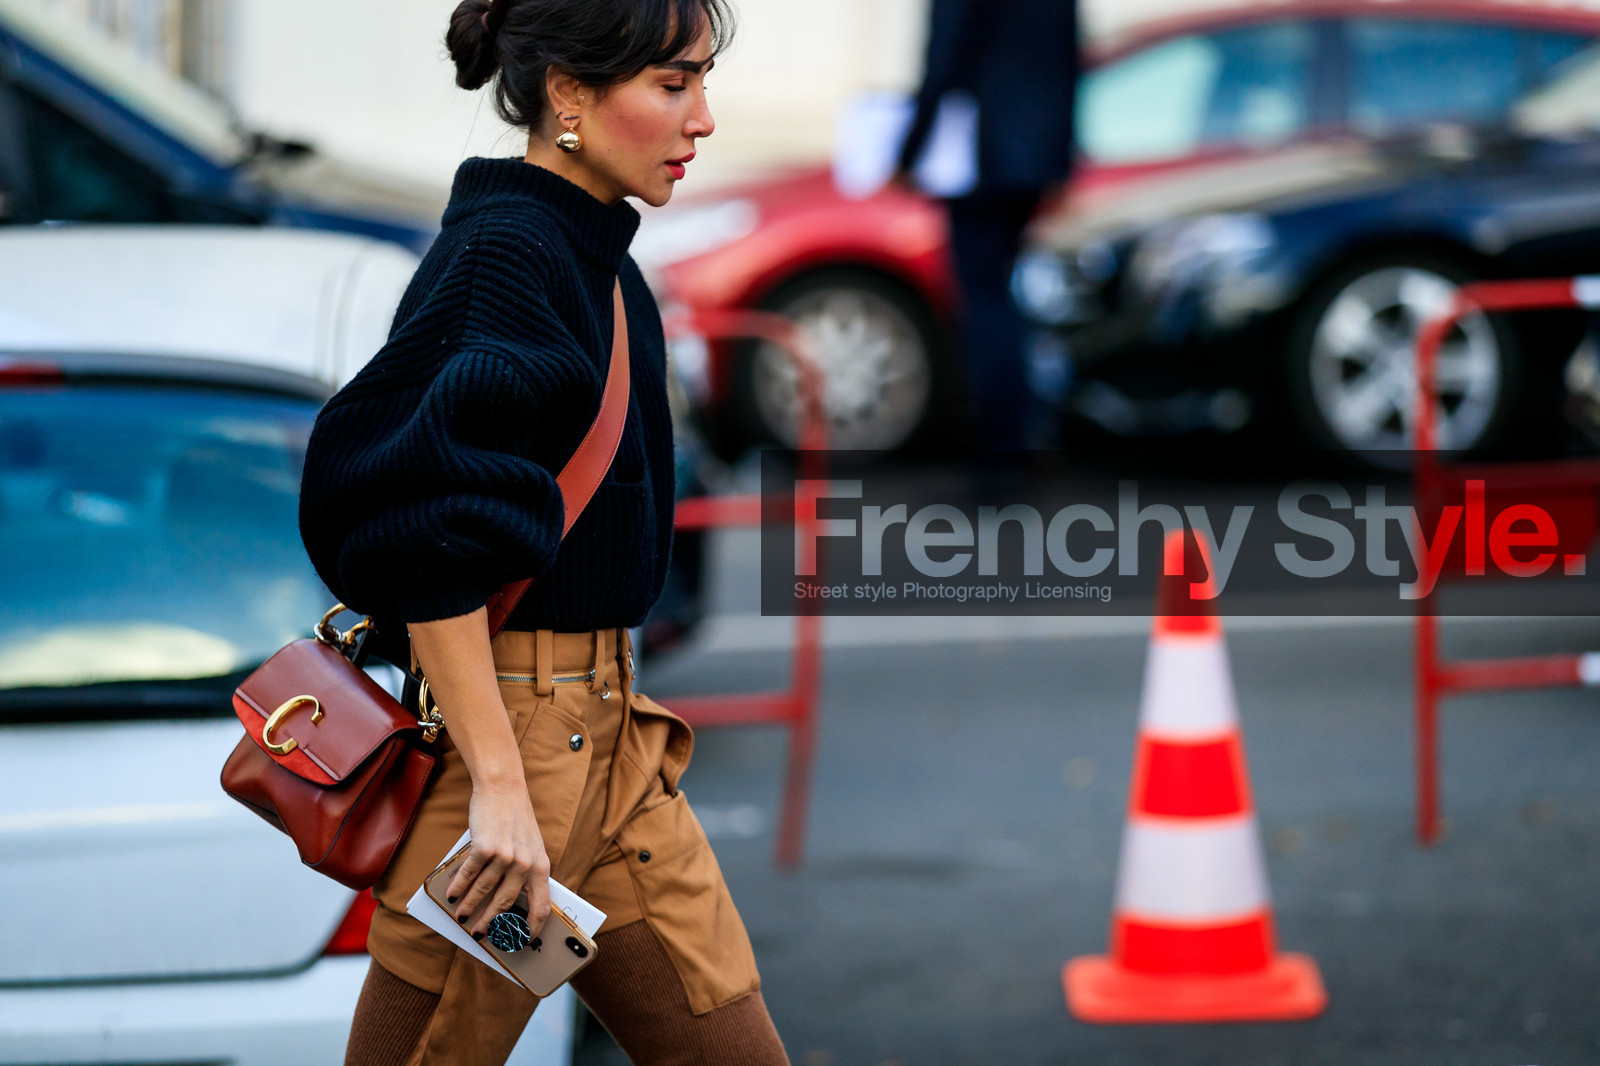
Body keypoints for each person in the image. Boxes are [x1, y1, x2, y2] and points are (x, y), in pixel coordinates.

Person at [295, 2, 789, 1063]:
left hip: (608, 763)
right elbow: (423, 532)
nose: (702, 117)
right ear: (569, 92)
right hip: (510, 784)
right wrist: (504, 795)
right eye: (671, 83)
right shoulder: (509, 260)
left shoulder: (591, 251)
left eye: (701, 80)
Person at [894, 0, 1079, 456]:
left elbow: (943, 59)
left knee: (984, 306)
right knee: (1003, 299)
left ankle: (1002, 449)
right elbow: (1070, 59)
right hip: (1031, 160)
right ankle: (1025, 428)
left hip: (982, 159)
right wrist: (1058, 164)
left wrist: (908, 153)